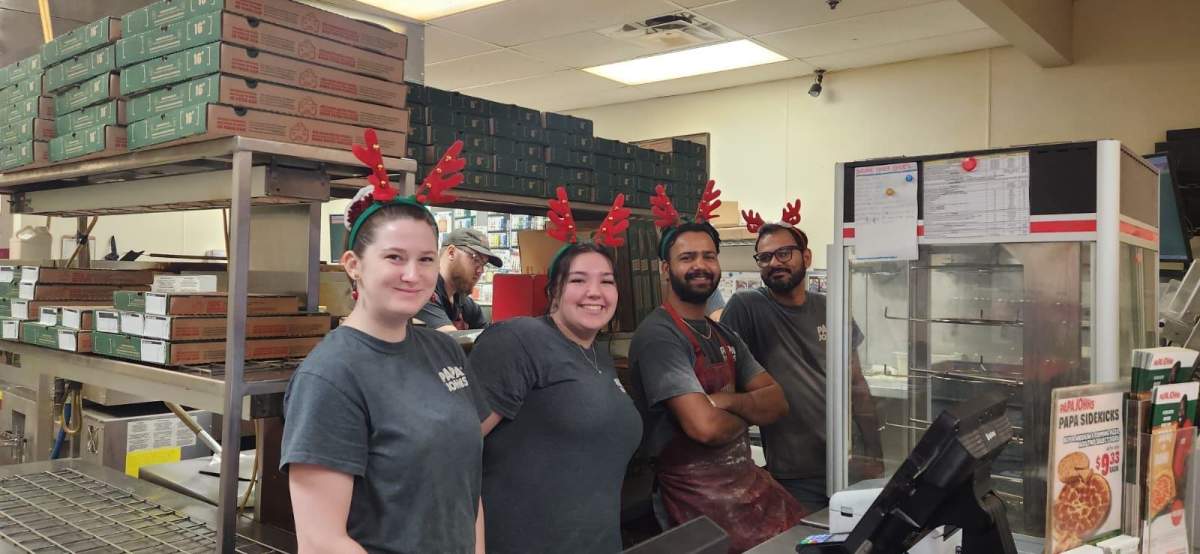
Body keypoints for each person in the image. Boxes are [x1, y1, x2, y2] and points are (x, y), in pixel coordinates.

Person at [281, 137, 491, 553]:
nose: (412, 274)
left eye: (425, 259)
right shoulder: (331, 375)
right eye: (395, 257)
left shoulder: (444, 351)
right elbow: (321, 541)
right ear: (354, 266)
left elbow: (467, 490)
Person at [628, 184, 806, 553]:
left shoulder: (724, 333)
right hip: (695, 502)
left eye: (709, 256)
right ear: (666, 269)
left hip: (749, 490)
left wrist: (725, 402)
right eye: (687, 257)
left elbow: (778, 403)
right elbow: (704, 427)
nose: (700, 266)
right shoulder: (660, 336)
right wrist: (749, 409)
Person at [469, 190, 641, 554]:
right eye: (578, 280)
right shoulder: (519, 340)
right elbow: (454, 450)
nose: (595, 292)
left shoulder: (597, 357)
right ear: (554, 291)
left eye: (606, 281)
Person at [721, 205, 884, 513]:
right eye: (765, 257)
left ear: (806, 257)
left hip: (845, 462)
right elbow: (724, 375)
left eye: (784, 253)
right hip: (794, 472)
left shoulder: (831, 307)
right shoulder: (748, 307)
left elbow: (857, 385)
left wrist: (875, 454)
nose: (774, 263)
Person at [418, 227, 501, 331]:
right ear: (451, 252)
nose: (480, 270)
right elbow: (448, 339)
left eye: (483, 264)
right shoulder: (422, 293)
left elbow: (489, 336)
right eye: (475, 259)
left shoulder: (464, 303)